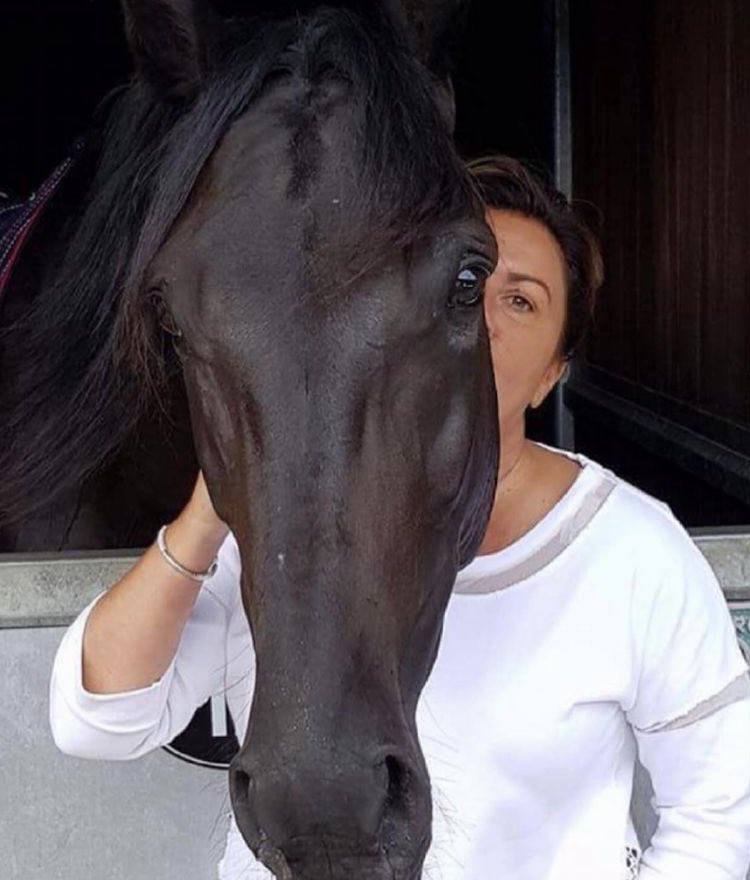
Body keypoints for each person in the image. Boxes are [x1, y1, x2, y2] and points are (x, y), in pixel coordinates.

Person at [49, 156, 750, 880]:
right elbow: (99, 721)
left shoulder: (634, 551)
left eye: (521, 301)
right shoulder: (283, 520)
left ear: (552, 375)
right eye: (460, 286)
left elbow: (722, 809)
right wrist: (210, 510)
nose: (481, 322)